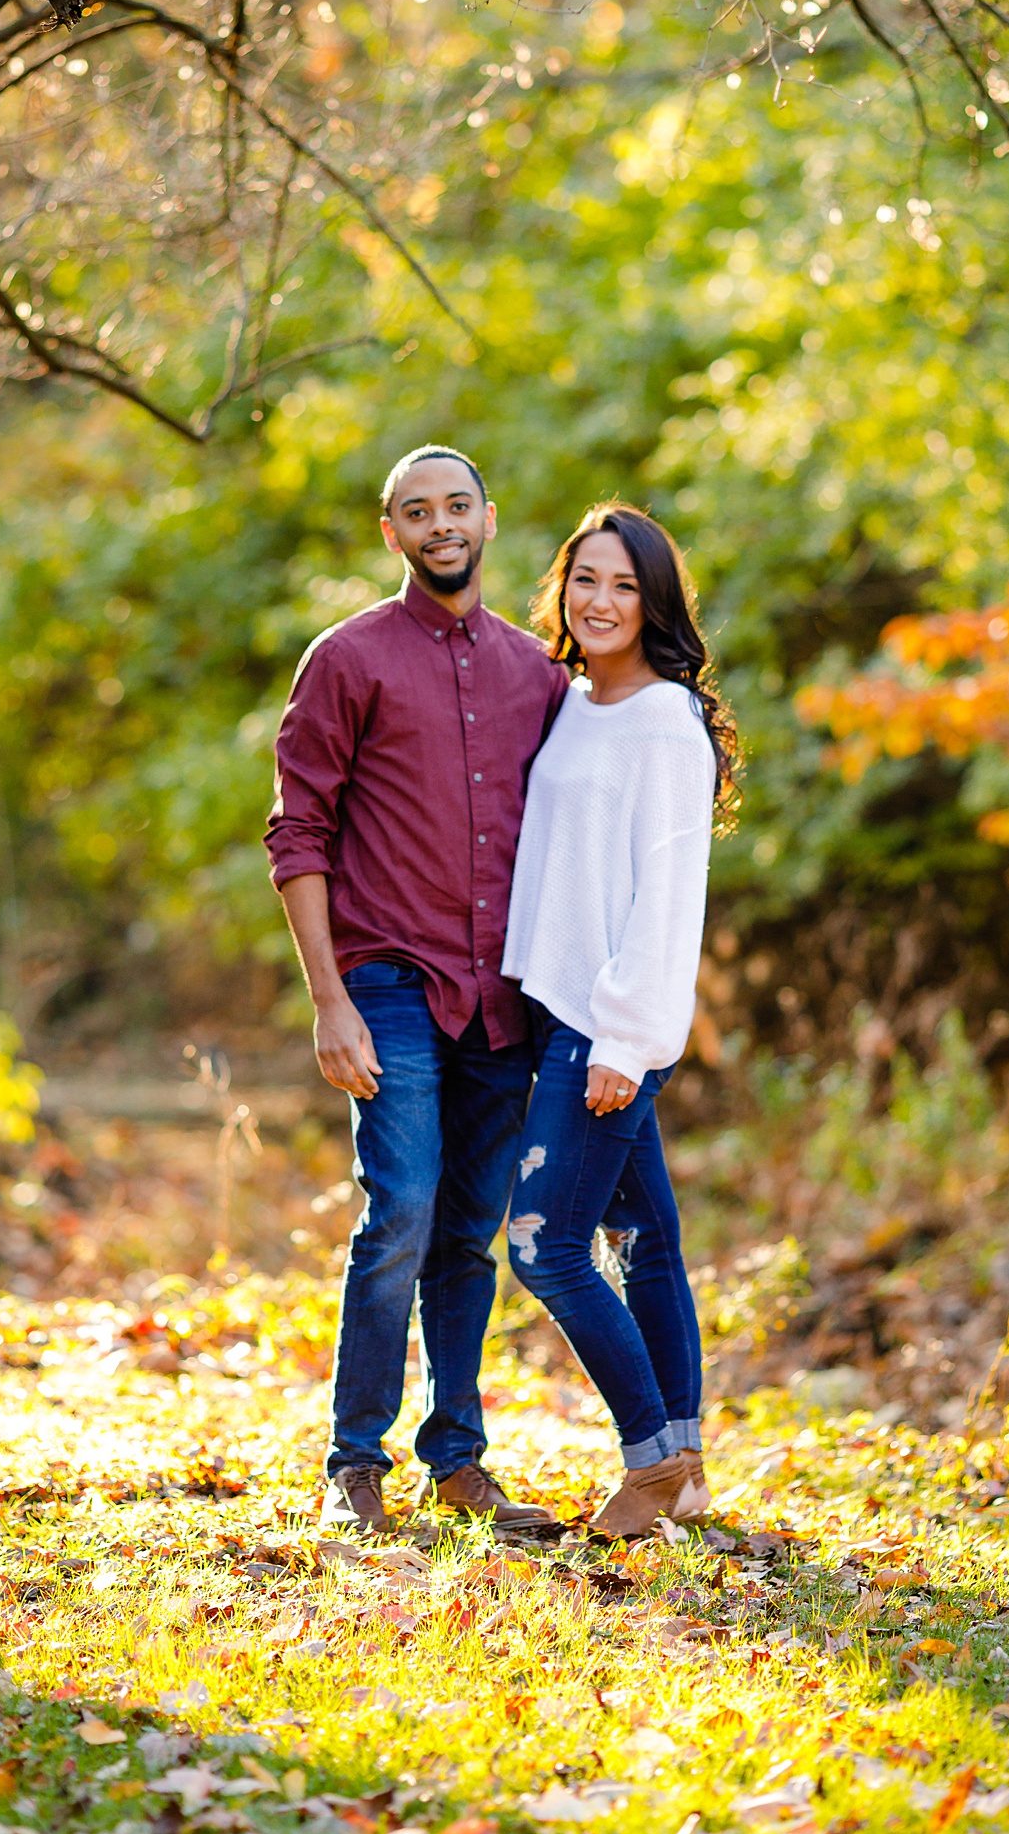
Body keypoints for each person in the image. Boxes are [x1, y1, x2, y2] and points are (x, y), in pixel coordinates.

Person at [265, 444, 570, 1535]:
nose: (440, 524)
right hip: (387, 979)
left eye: (456, 505)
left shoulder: (539, 672)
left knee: (467, 1231)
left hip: (504, 998)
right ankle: (355, 1461)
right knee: (398, 1208)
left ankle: (458, 1461)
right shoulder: (345, 660)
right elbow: (296, 831)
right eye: (415, 510)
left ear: (489, 519)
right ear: (388, 533)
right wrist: (328, 997)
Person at [501, 502, 737, 1540]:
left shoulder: (666, 723)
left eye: (623, 586)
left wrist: (626, 1043)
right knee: (646, 1241)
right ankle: (684, 1480)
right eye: (584, 580)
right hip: (561, 1005)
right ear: (562, 589)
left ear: (655, 603)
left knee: (545, 1249)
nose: (599, 602)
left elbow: (668, 891)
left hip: (607, 1027)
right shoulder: (569, 702)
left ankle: (650, 1461)